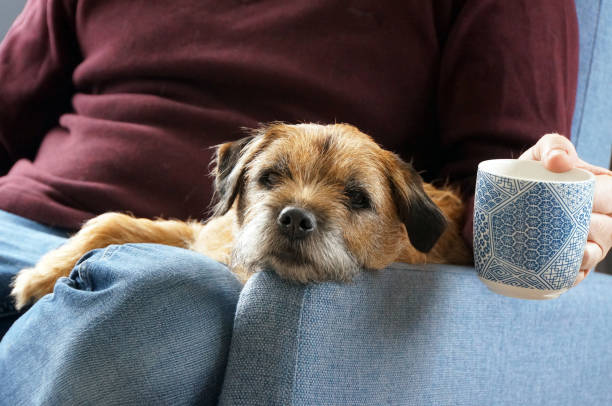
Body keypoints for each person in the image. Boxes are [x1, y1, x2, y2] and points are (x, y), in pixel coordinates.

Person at [0, 0, 610, 404]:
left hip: (173, 278)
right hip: (18, 215)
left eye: (348, 194)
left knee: (154, 305)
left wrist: (546, 217)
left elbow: (496, 191)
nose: (298, 208)